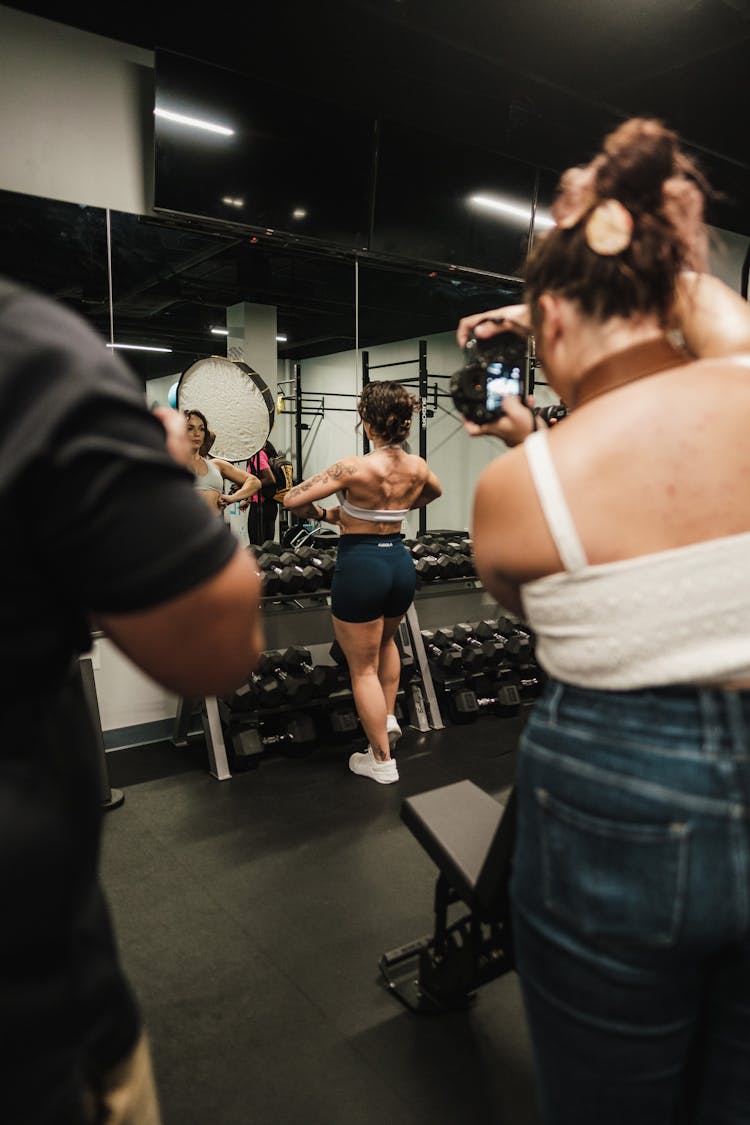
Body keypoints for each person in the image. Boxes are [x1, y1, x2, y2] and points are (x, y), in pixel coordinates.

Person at [461, 118, 750, 1124]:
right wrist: (627, 265)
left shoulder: (518, 490)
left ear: (549, 327)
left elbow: (535, 601)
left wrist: (532, 429)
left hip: (618, 779)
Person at [0, 276, 264, 1124]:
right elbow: (217, 645)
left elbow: (251, 493)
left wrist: (203, 483)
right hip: (31, 1012)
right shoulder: (32, 357)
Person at [283, 381, 442, 784]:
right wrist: (398, 508)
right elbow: (433, 493)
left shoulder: (353, 467)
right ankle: (386, 720)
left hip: (361, 566)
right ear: (404, 424)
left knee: (362, 669)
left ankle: (381, 760)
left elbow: (292, 501)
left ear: (368, 423)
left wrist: (331, 516)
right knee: (386, 643)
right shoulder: (418, 467)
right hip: (399, 564)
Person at [185, 408, 262, 513]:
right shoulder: (172, 464)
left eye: (201, 429)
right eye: (190, 428)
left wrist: (232, 498)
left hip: (213, 526)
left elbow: (254, 482)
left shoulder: (217, 465)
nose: (197, 433)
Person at [244, 438, 281, 545]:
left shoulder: (258, 455)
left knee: (257, 546)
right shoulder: (267, 451)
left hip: (261, 507)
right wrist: (248, 499)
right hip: (269, 504)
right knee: (267, 545)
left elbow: (270, 479)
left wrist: (248, 486)